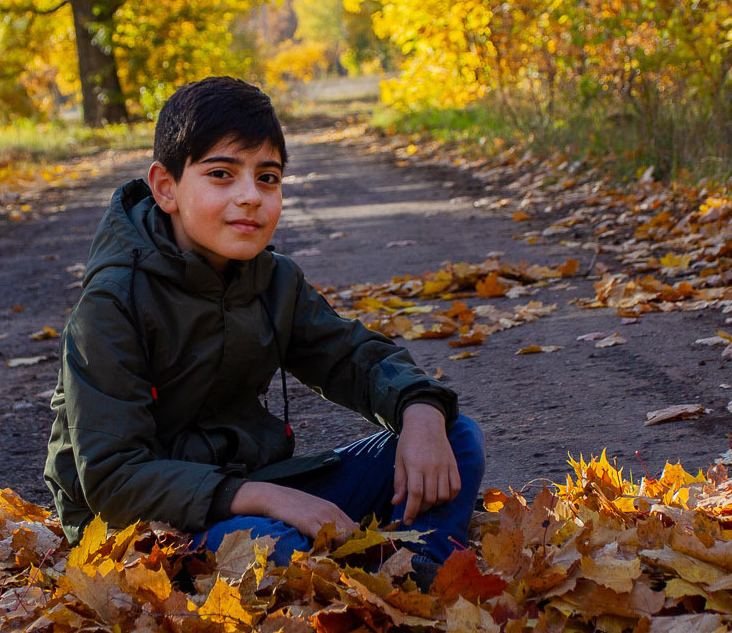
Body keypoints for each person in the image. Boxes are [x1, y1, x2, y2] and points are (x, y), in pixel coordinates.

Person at [42, 75, 484, 585]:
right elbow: (114, 479)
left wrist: (419, 411)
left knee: (456, 437)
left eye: (267, 178)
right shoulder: (112, 303)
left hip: (248, 486)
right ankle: (354, 578)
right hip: (142, 527)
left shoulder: (272, 281)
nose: (250, 196)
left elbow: (351, 358)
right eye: (222, 175)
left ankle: (416, 573)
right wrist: (272, 499)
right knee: (271, 547)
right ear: (166, 187)